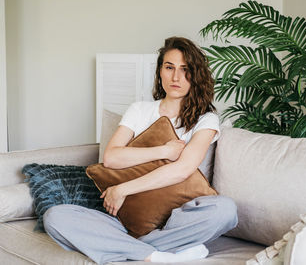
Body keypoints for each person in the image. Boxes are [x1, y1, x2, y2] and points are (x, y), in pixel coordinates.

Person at [43, 37, 238, 264]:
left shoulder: (206, 119)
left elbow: (183, 169)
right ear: (160, 72)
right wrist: (163, 151)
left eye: (185, 70)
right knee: (55, 217)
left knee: (225, 210)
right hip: (123, 220)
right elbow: (112, 157)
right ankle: (156, 255)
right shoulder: (139, 110)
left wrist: (122, 189)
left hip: (177, 221)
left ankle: (129, 250)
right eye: (169, 67)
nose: (176, 77)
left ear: (195, 75)